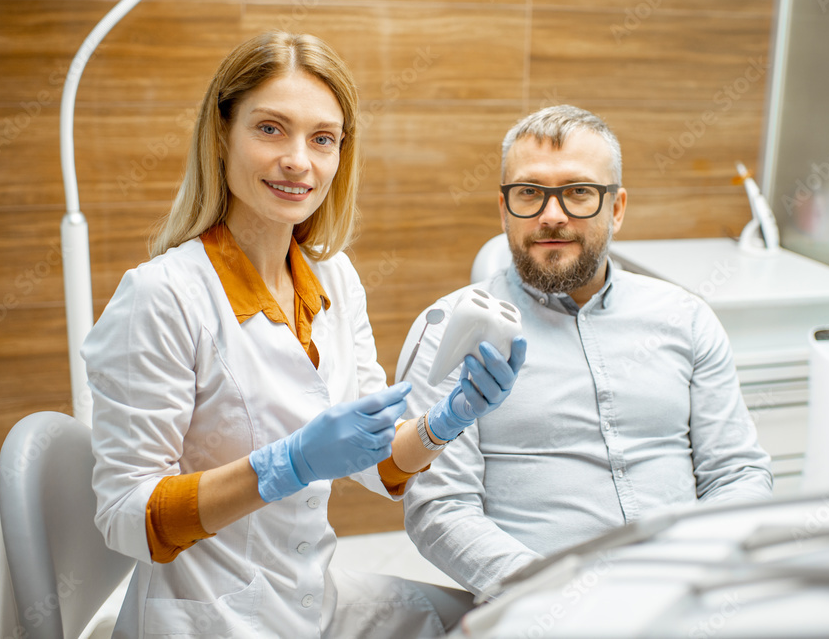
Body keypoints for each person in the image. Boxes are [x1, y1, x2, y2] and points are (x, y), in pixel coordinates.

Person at [82, 31, 525, 639]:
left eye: (322, 139)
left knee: (502, 619)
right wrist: (285, 465)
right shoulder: (161, 295)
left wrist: (443, 423)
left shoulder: (333, 277)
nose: (299, 161)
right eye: (271, 129)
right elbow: (125, 516)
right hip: (210, 617)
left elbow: (377, 463)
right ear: (221, 135)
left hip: (311, 597)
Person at [401, 104, 773, 597]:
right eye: (529, 192)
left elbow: (738, 471)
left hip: (691, 596)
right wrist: (559, 599)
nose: (552, 216)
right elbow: (440, 508)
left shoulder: (686, 318)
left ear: (616, 207)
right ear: (504, 208)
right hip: (541, 608)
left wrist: (701, 569)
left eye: (578, 191)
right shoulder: (451, 331)